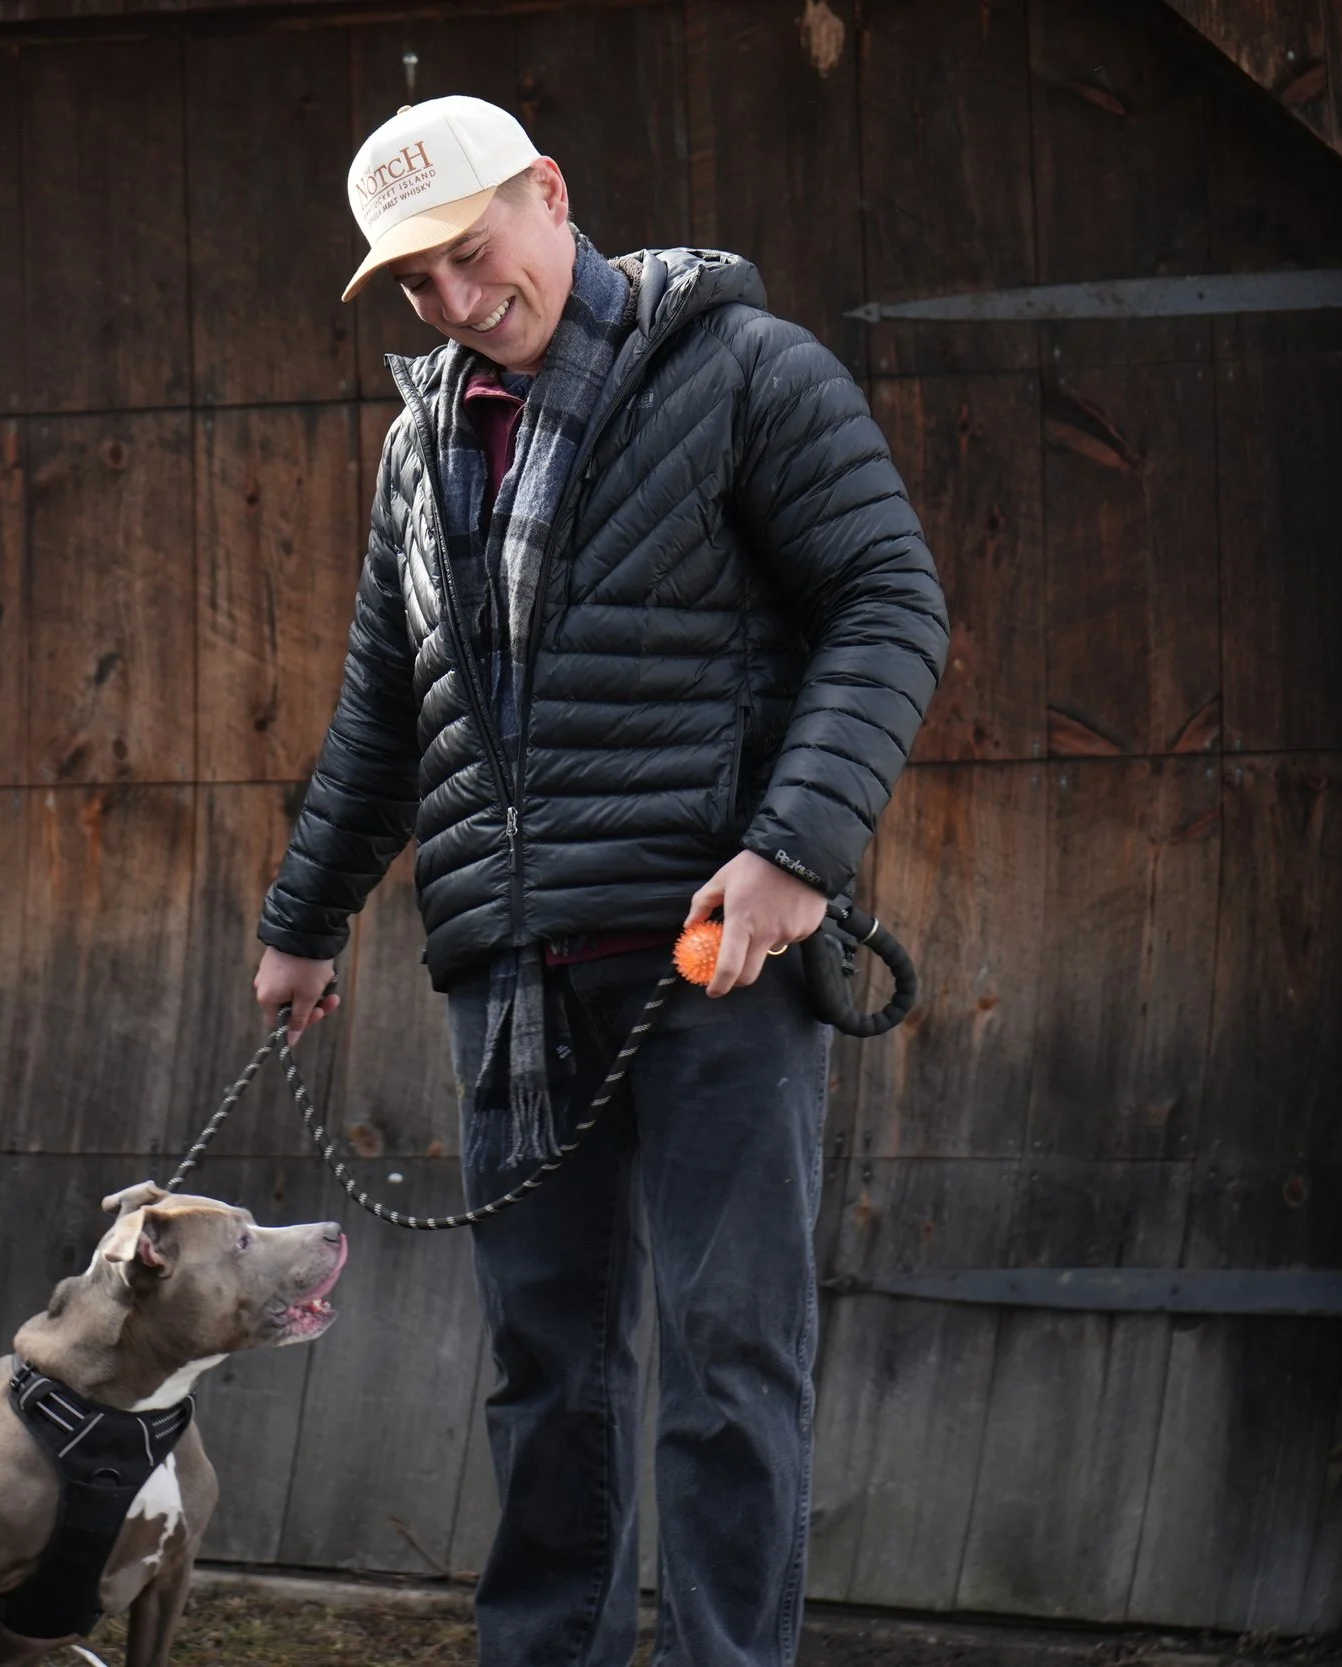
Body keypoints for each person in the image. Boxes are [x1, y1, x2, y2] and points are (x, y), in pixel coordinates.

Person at [254, 95, 948, 1667]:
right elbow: (387, 703)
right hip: (511, 979)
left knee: (727, 1365)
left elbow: (889, 603)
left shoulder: (750, 372)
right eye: (413, 281)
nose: (451, 298)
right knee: (543, 1371)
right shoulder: (419, 435)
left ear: (548, 195)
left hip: (714, 960)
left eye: (467, 252)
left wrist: (791, 853)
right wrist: (302, 923)